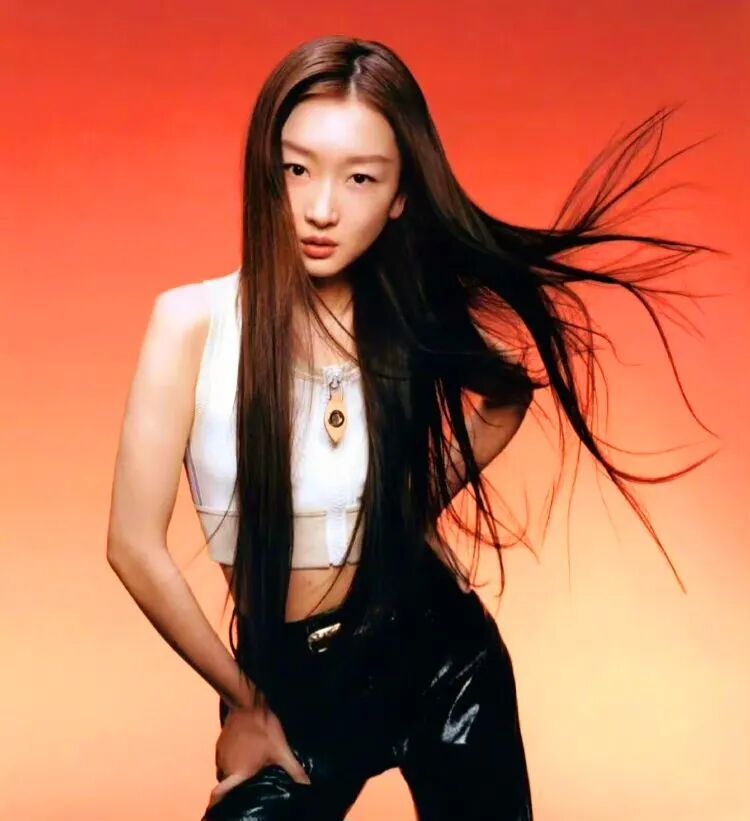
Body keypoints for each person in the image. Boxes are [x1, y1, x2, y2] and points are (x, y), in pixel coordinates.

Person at [106, 36, 719, 821]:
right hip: (291, 686)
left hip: (439, 660)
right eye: (298, 169)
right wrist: (246, 701)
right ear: (267, 170)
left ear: (400, 196)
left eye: (360, 178)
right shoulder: (192, 324)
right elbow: (132, 544)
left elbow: (507, 392)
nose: (321, 208)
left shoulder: (404, 320)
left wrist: (398, 511)